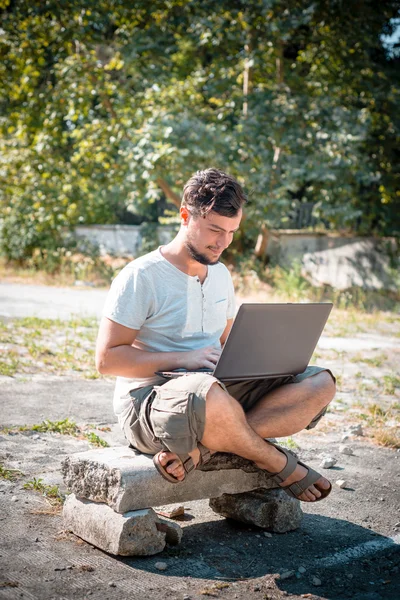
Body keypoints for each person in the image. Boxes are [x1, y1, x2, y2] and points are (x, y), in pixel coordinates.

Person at [96, 168, 336, 502]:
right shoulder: (141, 275)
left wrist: (268, 360)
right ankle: (277, 462)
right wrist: (183, 359)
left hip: (216, 393)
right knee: (210, 393)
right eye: (214, 229)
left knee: (320, 382)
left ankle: (199, 452)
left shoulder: (221, 274)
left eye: (232, 232)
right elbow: (107, 360)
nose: (223, 242)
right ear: (184, 215)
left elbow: (225, 345)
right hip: (150, 403)